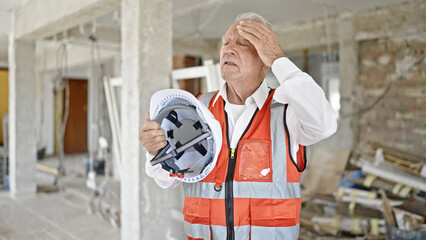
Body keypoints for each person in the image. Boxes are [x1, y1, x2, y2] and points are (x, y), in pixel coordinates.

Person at [139, 12, 337, 240]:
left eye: (243, 43)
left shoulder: (287, 113)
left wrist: (280, 61)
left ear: (266, 61)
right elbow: (167, 180)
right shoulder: (194, 110)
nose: (229, 49)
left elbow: (326, 124)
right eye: (225, 42)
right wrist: (156, 152)